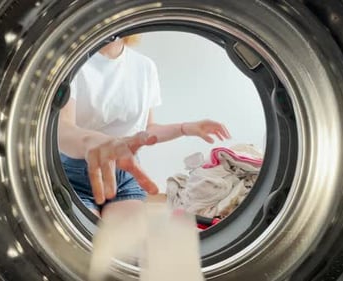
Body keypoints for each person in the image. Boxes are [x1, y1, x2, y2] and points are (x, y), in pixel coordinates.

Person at [58, 35, 231, 218]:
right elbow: (63, 128)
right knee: (85, 235)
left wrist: (186, 128)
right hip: (74, 172)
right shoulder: (71, 63)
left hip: (124, 173)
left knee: (124, 239)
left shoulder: (144, 66)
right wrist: (94, 142)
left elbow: (148, 130)